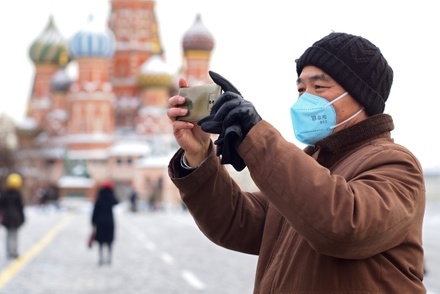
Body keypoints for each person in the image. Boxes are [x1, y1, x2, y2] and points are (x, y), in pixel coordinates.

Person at [167, 32, 426, 293]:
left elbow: (344, 224)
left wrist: (255, 135)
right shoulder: (312, 165)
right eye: (301, 89)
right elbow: (236, 219)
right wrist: (200, 156)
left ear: (362, 96)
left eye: (319, 87)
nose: (305, 99)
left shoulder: (396, 165)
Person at [91, 180, 119, 266]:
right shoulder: (111, 197)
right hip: (110, 222)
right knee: (109, 241)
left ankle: (101, 259)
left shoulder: (99, 197)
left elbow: (95, 211)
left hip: (100, 222)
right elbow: (116, 202)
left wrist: (93, 221)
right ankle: (109, 258)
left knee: (100, 242)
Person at [0, 173, 26, 259]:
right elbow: (20, 207)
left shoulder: (4, 193)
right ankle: (13, 251)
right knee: (14, 235)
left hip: (7, 218)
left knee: (8, 235)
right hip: (15, 218)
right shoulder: (17, 194)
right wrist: (22, 218)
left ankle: (9, 251)